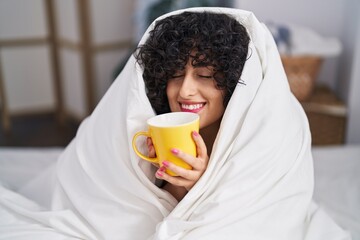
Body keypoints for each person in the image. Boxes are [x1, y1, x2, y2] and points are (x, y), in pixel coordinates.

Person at [134, 11, 250, 201]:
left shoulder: (249, 145)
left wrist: (200, 185)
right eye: (175, 74)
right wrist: (176, 178)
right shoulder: (152, 135)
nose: (184, 91)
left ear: (232, 81)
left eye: (204, 75)